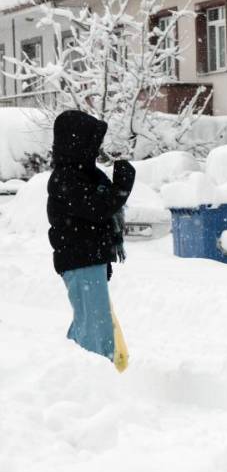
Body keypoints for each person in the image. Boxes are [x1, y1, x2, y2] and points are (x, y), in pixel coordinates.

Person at [46, 110, 135, 364]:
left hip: (87, 258)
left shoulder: (84, 174)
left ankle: (73, 367)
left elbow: (97, 213)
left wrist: (101, 256)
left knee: (90, 321)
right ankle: (95, 373)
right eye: (92, 144)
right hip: (80, 259)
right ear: (76, 144)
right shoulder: (65, 179)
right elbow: (98, 208)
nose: (96, 151)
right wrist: (121, 188)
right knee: (96, 328)